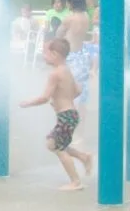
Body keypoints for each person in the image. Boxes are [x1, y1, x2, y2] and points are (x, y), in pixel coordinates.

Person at [20, 38, 94, 190]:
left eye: (45, 53)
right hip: (71, 114)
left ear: (54, 54)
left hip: (66, 116)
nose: (44, 56)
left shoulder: (54, 74)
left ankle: (75, 182)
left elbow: (44, 97)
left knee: (56, 146)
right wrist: (62, 99)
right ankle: (83, 157)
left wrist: (27, 103)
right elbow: (78, 90)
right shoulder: (66, 70)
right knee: (54, 143)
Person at [57, 0, 92, 110]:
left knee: (68, 92)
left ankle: (70, 120)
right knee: (82, 91)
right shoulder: (86, 16)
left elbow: (58, 34)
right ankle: (82, 123)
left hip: (71, 57)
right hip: (82, 56)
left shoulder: (70, 18)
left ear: (71, 2)